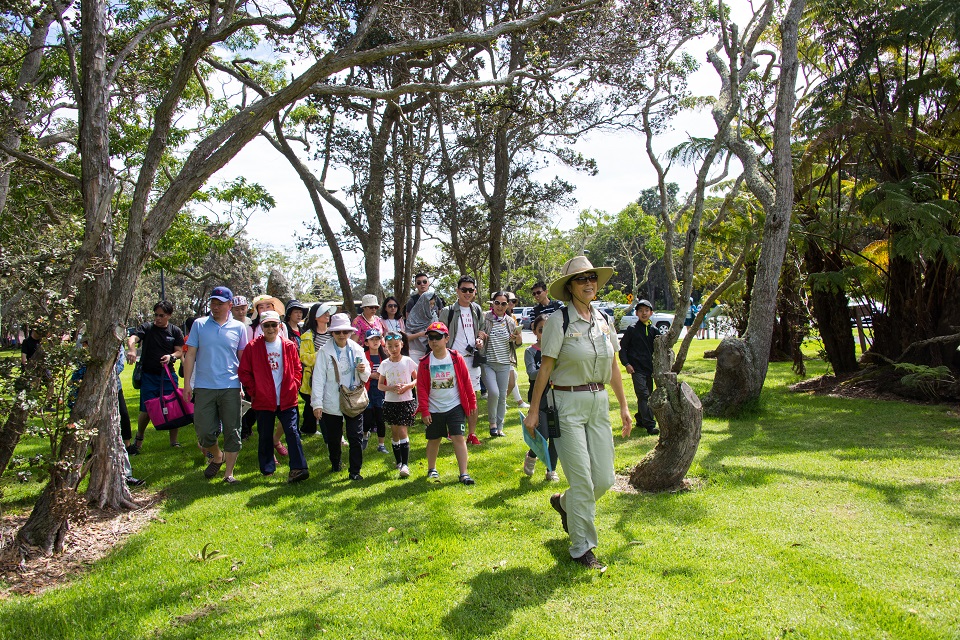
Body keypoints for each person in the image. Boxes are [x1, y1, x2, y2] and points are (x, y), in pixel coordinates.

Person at [523, 256, 632, 571]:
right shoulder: (559, 320)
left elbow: (613, 364)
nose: (589, 284)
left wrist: (624, 407)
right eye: (582, 279)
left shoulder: (604, 319)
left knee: (604, 478)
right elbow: (546, 366)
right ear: (570, 287)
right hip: (566, 404)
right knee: (583, 480)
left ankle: (565, 503)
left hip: (599, 403)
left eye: (592, 278)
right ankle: (581, 548)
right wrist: (533, 411)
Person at [182, 286, 250, 484]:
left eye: (220, 303)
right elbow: (190, 355)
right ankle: (216, 455)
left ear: (229, 305)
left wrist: (242, 385)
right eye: (213, 303)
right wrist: (187, 384)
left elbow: (242, 358)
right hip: (204, 386)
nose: (215, 307)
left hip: (230, 386)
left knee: (232, 430)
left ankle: (228, 473)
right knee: (203, 431)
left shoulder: (239, 328)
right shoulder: (199, 325)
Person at [238, 310, 309, 483]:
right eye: (266, 325)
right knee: (264, 434)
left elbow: (297, 368)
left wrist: (294, 385)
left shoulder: (288, 346)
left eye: (274, 325)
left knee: (292, 432)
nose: (270, 329)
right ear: (262, 327)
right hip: (264, 400)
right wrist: (255, 391)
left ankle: (299, 468)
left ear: (280, 326)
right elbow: (244, 372)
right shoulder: (253, 347)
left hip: (287, 397)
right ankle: (267, 468)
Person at [415, 321, 476, 485]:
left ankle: (464, 473)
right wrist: (425, 410)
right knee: (434, 439)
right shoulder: (425, 362)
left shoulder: (456, 358)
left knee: (458, 437)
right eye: (430, 338)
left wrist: (472, 403)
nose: (434, 341)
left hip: (455, 406)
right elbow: (420, 388)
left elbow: (466, 382)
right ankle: (431, 468)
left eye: (438, 337)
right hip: (434, 408)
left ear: (446, 339)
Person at [311, 313, 370, 480]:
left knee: (355, 436)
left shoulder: (357, 349)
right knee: (334, 439)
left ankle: (355, 471)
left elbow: (366, 375)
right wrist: (317, 404)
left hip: (353, 399)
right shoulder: (324, 352)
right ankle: (335, 463)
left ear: (350, 332)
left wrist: (362, 370)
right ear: (332, 333)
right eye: (338, 332)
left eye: (345, 331)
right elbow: (318, 378)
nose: (342, 335)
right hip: (332, 400)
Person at [126, 301, 185, 452]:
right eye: (156, 315)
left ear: (169, 315)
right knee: (146, 410)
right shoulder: (147, 328)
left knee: (173, 407)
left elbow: (179, 351)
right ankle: (138, 441)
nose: (158, 318)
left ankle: (174, 441)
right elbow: (132, 338)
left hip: (167, 376)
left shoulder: (175, 331)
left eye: (162, 315)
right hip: (148, 376)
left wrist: (170, 356)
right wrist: (132, 350)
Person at [438, 275, 487, 446]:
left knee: (472, 396)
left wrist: (480, 338)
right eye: (464, 289)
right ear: (457, 291)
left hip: (472, 360)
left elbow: (482, 329)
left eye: (471, 290)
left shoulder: (477, 309)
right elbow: (440, 334)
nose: (467, 293)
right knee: (453, 397)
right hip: (453, 360)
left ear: (474, 292)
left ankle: (472, 434)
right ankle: (455, 430)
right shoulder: (448, 311)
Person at [480, 291, 523, 438]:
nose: (500, 306)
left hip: (505, 363)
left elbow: (517, 344)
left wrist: (516, 338)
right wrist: (481, 337)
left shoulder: (510, 321)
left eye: (503, 303)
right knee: (494, 392)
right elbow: (479, 334)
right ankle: (492, 423)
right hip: (488, 363)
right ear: (493, 303)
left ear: (507, 305)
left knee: (502, 396)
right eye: (497, 303)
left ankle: (500, 427)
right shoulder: (486, 318)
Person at [522, 314, 559, 481]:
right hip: (539, 398)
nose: (544, 333)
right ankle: (532, 454)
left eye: (548, 329)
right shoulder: (530, 352)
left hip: (558, 396)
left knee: (556, 434)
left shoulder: (560, 350)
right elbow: (531, 374)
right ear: (535, 331)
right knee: (543, 434)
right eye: (541, 330)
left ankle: (551, 469)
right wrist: (547, 368)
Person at [377, 331, 417, 478]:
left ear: (402, 345)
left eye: (396, 346)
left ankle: (405, 465)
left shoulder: (407, 361)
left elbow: (417, 379)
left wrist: (408, 386)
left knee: (402, 431)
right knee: (394, 433)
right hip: (390, 402)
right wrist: (390, 388)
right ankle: (399, 461)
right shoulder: (384, 364)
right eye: (390, 347)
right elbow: (380, 385)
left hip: (405, 401)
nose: (393, 349)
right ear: (385, 347)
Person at [618, 299, 660, 436]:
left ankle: (641, 419)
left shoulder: (654, 330)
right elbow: (622, 348)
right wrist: (627, 364)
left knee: (647, 395)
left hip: (650, 369)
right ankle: (650, 425)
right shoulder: (632, 329)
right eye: (641, 311)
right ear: (636, 313)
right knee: (643, 395)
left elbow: (660, 349)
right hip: (636, 369)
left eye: (646, 311)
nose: (644, 313)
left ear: (651, 313)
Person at [299, 302, 335, 436]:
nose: (327, 314)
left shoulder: (333, 333)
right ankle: (324, 434)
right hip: (314, 377)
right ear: (315, 316)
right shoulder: (307, 336)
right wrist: (320, 354)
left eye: (328, 312)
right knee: (315, 405)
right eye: (323, 312)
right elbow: (304, 358)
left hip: (332, 375)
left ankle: (325, 432)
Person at [361, 328, 388, 454]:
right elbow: (359, 373)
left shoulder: (384, 357)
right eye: (372, 339)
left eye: (377, 339)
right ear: (366, 343)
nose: (375, 341)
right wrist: (370, 375)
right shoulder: (362, 356)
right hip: (367, 391)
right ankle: (365, 435)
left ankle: (381, 444)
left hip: (380, 392)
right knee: (367, 418)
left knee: (380, 417)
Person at [504, 291, 530, 410]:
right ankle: (501, 401)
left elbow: (518, 342)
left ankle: (517, 401)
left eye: (515, 301)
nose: (513, 304)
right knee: (511, 380)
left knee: (513, 376)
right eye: (511, 301)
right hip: (501, 354)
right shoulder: (501, 317)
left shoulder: (512, 316)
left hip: (510, 352)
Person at [405, 289, 439, 363]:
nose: (431, 306)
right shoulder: (413, 317)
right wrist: (420, 334)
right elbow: (406, 338)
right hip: (415, 352)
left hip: (432, 352)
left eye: (433, 304)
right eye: (429, 304)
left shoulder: (434, 317)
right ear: (423, 303)